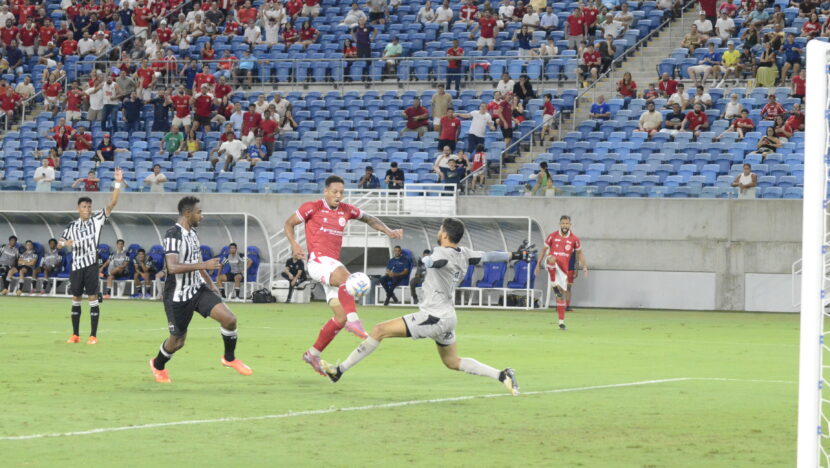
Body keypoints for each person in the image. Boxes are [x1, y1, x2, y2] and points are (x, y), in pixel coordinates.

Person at [319, 217, 521, 396]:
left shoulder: (442, 253)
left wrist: (428, 261)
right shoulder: (465, 253)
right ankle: (502, 375)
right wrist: (515, 255)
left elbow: (438, 261)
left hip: (433, 317)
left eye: (440, 229)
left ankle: (339, 371)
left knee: (379, 330)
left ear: (445, 234)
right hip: (448, 316)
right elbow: (489, 256)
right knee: (452, 362)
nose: (438, 232)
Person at [284, 175, 403, 377]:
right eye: (334, 192)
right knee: (349, 280)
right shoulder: (312, 207)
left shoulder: (346, 210)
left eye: (341, 192)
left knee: (339, 317)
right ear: (326, 191)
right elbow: (289, 224)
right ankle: (354, 320)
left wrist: (388, 231)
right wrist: (294, 244)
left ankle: (313, 354)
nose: (338, 196)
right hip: (318, 261)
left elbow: (369, 219)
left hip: (332, 264)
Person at [148, 196, 253, 383]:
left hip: (197, 288)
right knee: (177, 341)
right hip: (177, 295)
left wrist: (211, 285)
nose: (202, 216)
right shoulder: (173, 234)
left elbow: (196, 262)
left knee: (229, 319)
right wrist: (203, 264)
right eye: (199, 212)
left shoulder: (193, 234)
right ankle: (158, 365)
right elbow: (172, 267)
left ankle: (229, 359)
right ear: (187, 213)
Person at [60, 168, 123, 345]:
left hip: (91, 265)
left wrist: (117, 183)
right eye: (84, 207)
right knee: (76, 299)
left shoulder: (97, 220)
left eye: (89, 207)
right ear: (78, 209)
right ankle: (75, 335)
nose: (87, 209)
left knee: (93, 298)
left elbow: (112, 203)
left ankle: (93, 335)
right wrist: (65, 244)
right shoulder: (71, 226)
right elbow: (59, 242)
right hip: (76, 266)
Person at [536, 215, 588, 330]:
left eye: (566, 223)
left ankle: (561, 322)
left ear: (570, 225)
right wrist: (538, 264)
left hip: (563, 270)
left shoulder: (574, 239)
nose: (565, 225)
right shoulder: (552, 236)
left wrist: (584, 266)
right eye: (563, 223)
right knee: (552, 259)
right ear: (560, 224)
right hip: (551, 263)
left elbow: (580, 253)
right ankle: (553, 283)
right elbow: (544, 250)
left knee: (560, 295)